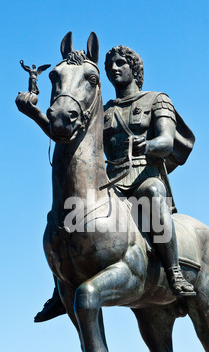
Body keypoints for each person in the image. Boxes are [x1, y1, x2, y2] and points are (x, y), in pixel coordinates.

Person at [34, 45, 195, 322]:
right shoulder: (103, 110)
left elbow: (167, 141)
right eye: (110, 66)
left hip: (143, 175)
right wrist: (35, 112)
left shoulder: (156, 100)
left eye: (121, 63)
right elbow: (65, 132)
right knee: (68, 215)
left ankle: (173, 272)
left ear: (135, 69)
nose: (115, 69)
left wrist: (150, 145)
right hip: (110, 182)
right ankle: (60, 289)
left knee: (154, 194)